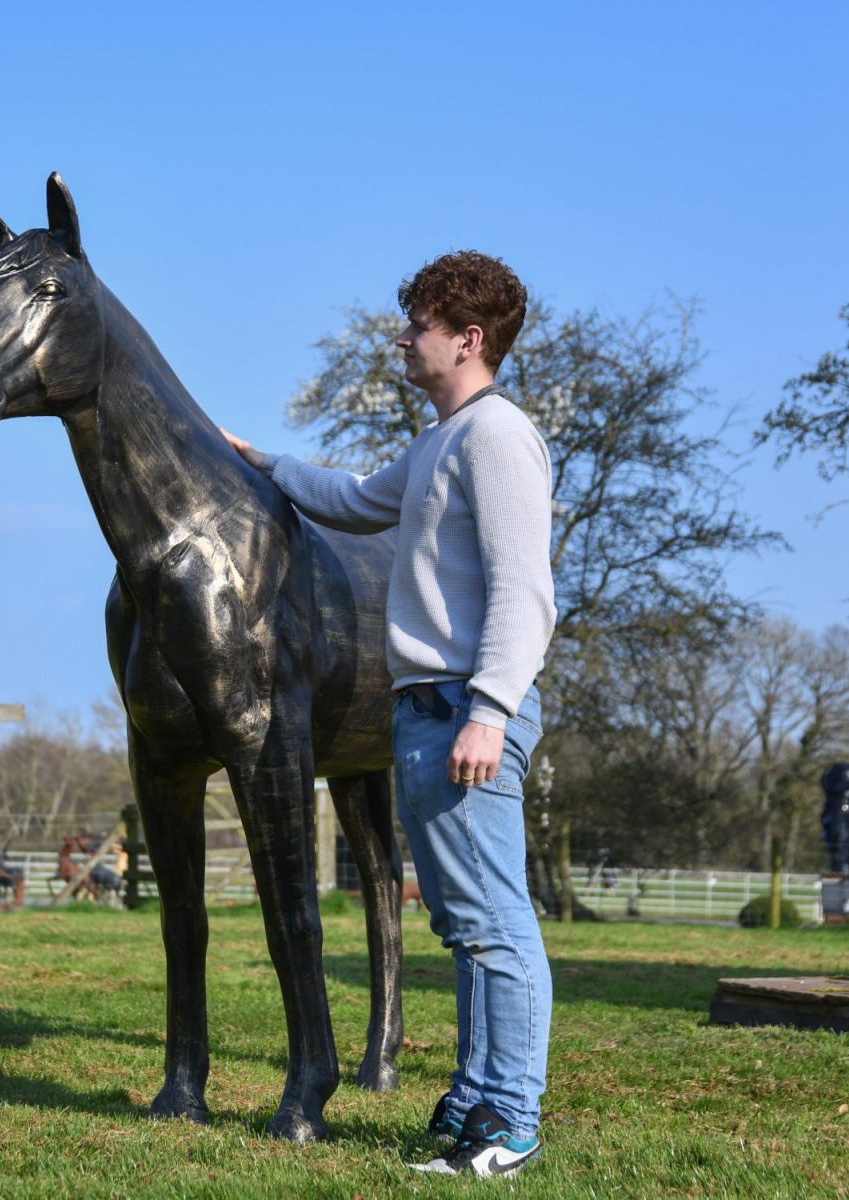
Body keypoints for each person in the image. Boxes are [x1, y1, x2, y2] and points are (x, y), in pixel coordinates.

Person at [221, 250, 556, 1179]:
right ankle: (477, 1101)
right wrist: (259, 461)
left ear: (469, 339)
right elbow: (355, 500)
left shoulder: (497, 437)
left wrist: (489, 710)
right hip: (426, 711)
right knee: (464, 926)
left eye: (418, 324)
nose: (402, 336)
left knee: (495, 924)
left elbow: (525, 594)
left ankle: (512, 1120)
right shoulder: (437, 442)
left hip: (463, 709)